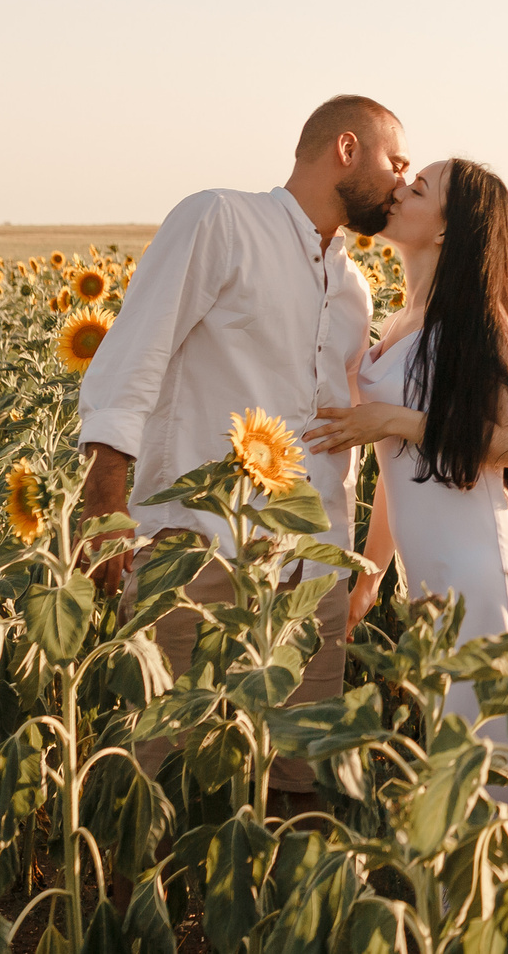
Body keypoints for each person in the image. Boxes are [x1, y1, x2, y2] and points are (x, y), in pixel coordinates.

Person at [76, 93, 410, 806]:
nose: (402, 182)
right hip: (198, 547)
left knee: (300, 777)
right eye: (395, 161)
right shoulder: (221, 220)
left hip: (306, 567)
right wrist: (104, 493)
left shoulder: (351, 285)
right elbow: (137, 351)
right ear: (346, 149)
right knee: (153, 764)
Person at [304, 157, 508, 819]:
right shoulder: (397, 322)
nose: (399, 191)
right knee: (460, 778)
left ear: (446, 230)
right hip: (437, 580)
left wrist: (392, 418)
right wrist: (371, 576)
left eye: (420, 189)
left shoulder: (476, 319)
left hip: (488, 576)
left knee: (498, 794)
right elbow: (396, 472)